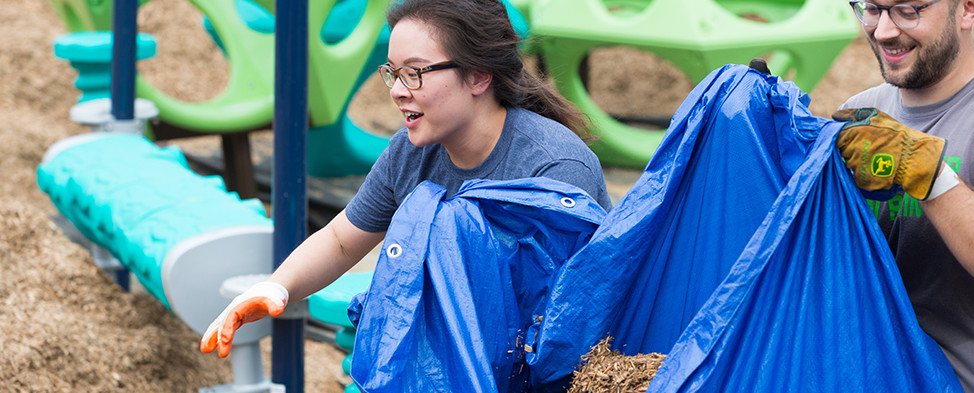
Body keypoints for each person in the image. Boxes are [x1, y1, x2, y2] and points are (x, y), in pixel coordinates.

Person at [200, 0, 613, 359]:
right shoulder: (412, 152)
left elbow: (563, 315)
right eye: (392, 72)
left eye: (415, 73)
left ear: (478, 76)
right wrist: (277, 287)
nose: (397, 90)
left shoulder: (553, 169)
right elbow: (342, 240)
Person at [834, 0, 974, 390]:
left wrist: (931, 177)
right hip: (859, 371)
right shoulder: (859, 115)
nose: (882, 31)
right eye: (872, 8)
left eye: (908, 10)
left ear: (966, 10)